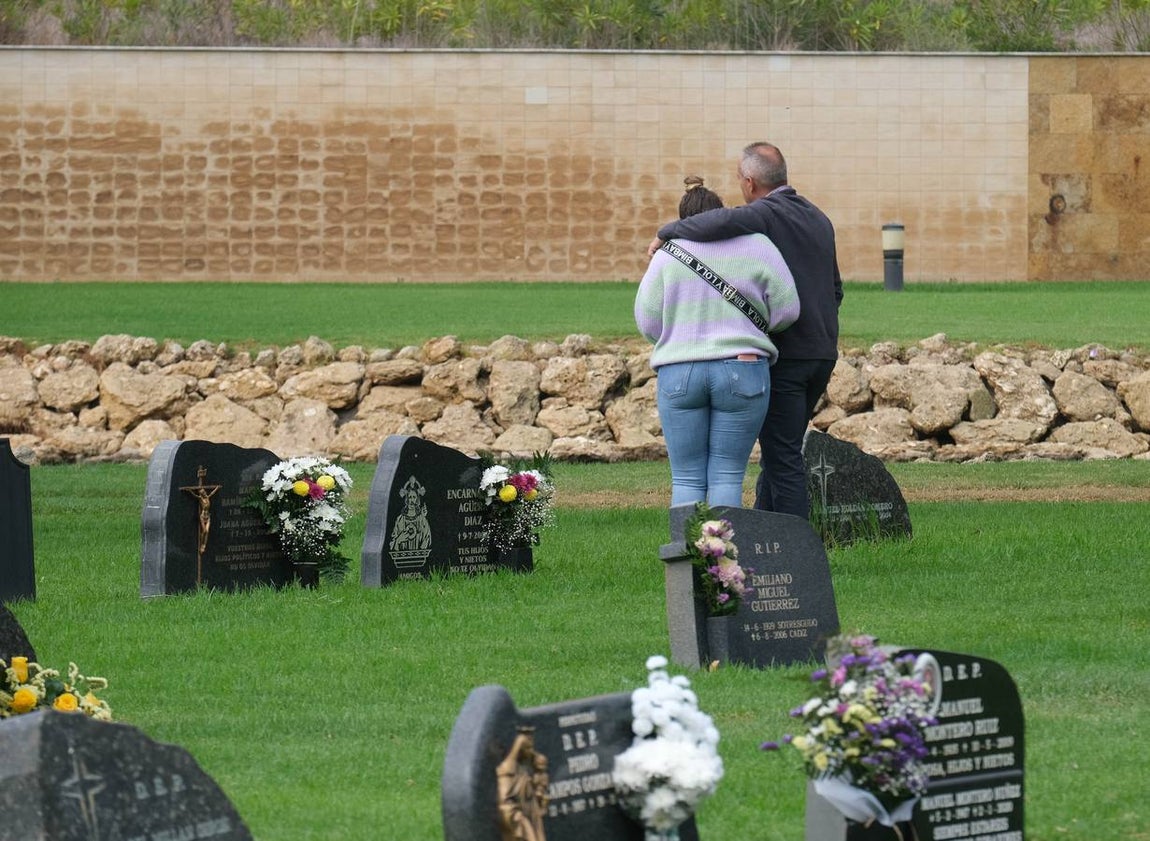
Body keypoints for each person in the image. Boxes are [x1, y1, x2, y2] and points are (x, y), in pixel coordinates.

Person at [647, 143, 842, 520]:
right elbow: (836, 289)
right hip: (821, 352)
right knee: (778, 451)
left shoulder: (765, 215)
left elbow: (718, 222)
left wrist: (667, 232)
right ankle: (762, 533)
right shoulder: (818, 218)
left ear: (750, 182)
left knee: (782, 459)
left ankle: (793, 550)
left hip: (789, 355)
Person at [635, 175, 800, 509]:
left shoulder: (668, 255)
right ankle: (722, 560)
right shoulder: (758, 245)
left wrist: (675, 337)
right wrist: (757, 327)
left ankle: (685, 559)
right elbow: (788, 309)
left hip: (679, 370)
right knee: (727, 476)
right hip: (743, 367)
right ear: (721, 213)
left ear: (682, 218)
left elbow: (647, 320)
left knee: (685, 478)